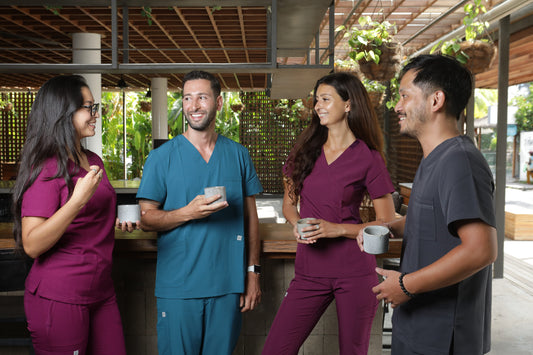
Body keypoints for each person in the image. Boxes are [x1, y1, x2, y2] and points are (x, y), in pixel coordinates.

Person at [364, 54, 498, 355]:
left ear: (436, 100)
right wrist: (389, 227)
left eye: (404, 96)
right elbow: (435, 223)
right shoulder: (433, 158)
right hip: (416, 326)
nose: (397, 106)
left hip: (442, 336)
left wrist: (406, 285)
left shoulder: (459, 161)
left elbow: (482, 249)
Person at [262, 72, 396, 355]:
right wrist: (297, 224)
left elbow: (387, 220)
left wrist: (336, 229)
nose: (318, 105)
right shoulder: (303, 150)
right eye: (316, 100)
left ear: (348, 105)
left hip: (356, 271)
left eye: (326, 99)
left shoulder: (368, 157)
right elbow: (289, 204)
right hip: (310, 271)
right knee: (276, 350)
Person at [137, 70, 263, 355]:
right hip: (179, 287)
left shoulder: (238, 154)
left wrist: (253, 273)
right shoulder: (161, 157)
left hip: (228, 285)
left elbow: (251, 219)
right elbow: (147, 218)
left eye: (202, 98)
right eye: (187, 98)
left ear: (218, 103)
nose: (193, 106)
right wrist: (187, 213)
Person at [12, 75, 135, 355]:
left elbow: (90, 217)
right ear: (63, 114)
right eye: (88, 108)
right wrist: (76, 202)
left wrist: (111, 221)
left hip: (101, 291)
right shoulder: (47, 167)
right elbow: (31, 244)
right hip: (60, 296)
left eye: (95, 106)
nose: (96, 114)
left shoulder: (92, 160)